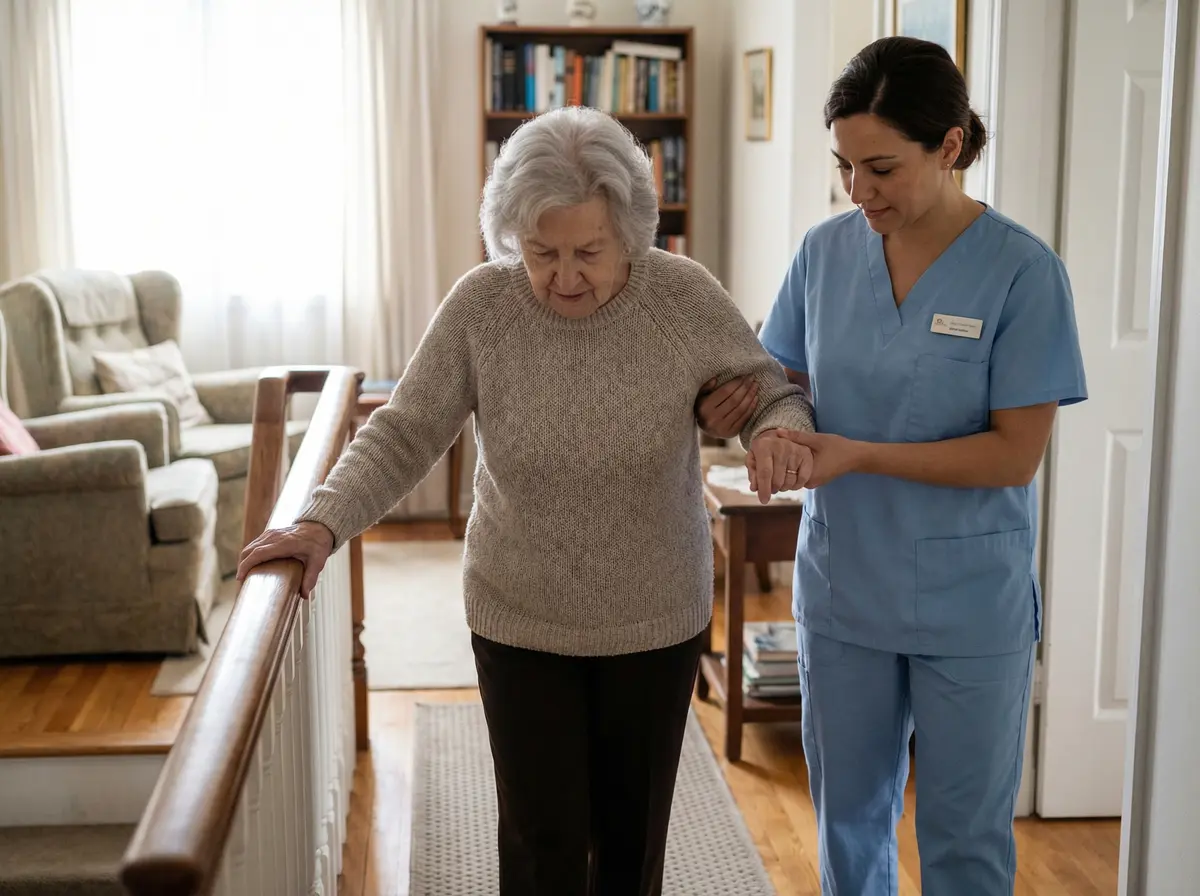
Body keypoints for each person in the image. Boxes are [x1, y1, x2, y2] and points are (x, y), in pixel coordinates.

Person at [237, 105, 816, 896]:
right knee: (541, 843)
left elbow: (771, 395)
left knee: (629, 847)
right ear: (512, 233)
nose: (565, 276)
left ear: (632, 232)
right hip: (520, 617)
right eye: (543, 251)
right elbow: (403, 431)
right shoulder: (482, 306)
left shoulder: (680, 297)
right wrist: (319, 521)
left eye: (589, 252)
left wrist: (773, 433)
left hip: (653, 619)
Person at [698, 36, 1088, 896]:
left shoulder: (1023, 274)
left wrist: (855, 454)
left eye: (881, 168)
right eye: (844, 167)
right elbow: (781, 383)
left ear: (949, 146)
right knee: (847, 828)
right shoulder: (824, 255)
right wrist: (757, 417)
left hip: (970, 608)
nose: (858, 191)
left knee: (965, 842)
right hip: (847, 594)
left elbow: (1014, 457)